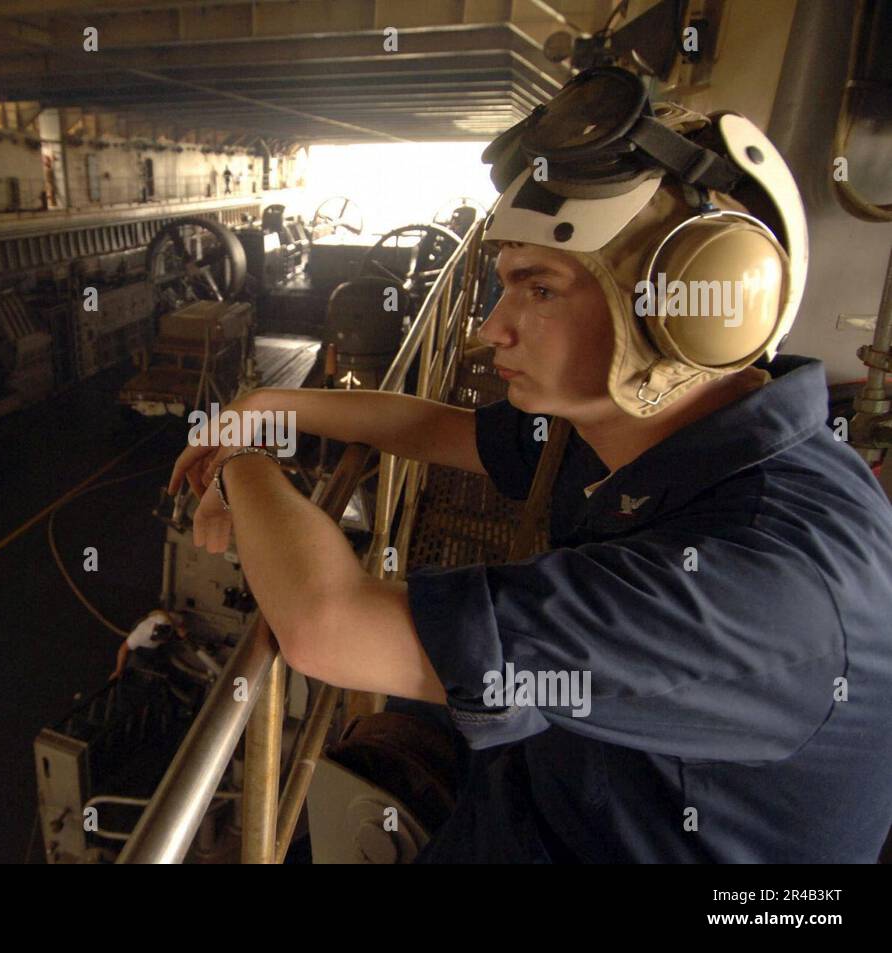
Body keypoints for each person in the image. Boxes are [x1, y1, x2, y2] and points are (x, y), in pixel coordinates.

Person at [169, 67, 892, 862]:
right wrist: (275, 409)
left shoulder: (758, 589)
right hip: (580, 783)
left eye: (538, 289)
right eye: (502, 284)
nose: (487, 330)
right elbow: (441, 431)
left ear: (696, 305)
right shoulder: (649, 419)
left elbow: (326, 627)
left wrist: (242, 461)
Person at [111, 609, 187, 681]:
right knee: (135, 665)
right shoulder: (139, 637)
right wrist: (118, 670)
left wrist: (180, 629)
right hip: (143, 647)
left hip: (157, 640)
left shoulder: (166, 619)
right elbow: (123, 649)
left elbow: (180, 621)